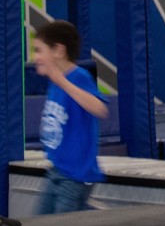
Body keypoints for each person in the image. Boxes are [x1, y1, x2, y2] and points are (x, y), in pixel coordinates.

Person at [33, 20, 109, 214]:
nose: (35, 57)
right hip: (57, 170)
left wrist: (63, 82)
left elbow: (99, 109)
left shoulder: (79, 77)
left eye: (39, 50)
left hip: (75, 176)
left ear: (58, 51)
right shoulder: (55, 83)